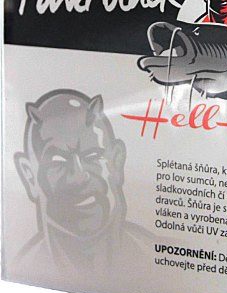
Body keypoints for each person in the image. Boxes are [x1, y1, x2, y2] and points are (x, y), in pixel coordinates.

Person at [12, 89, 152, 277]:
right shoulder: (19, 270)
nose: (78, 177)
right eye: (58, 162)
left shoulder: (161, 265)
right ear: (29, 176)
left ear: (117, 162)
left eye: (93, 156)